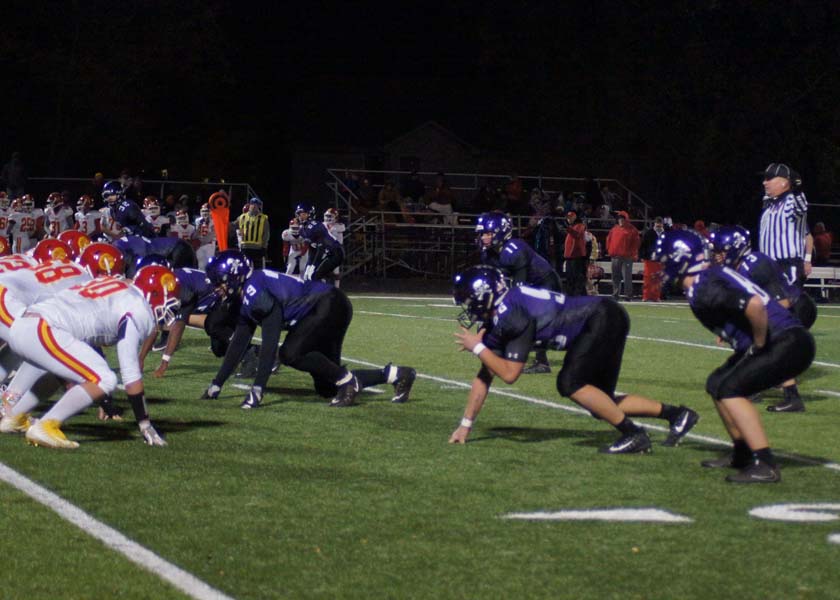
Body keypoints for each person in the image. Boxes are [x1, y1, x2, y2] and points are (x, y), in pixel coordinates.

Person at [449, 265, 698, 453]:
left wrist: (478, 348)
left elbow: (510, 374)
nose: (468, 309)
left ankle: (634, 434)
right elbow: (484, 376)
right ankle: (677, 415)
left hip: (599, 318)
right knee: (603, 403)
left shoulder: (512, 315)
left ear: (484, 296)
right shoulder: (503, 314)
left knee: (569, 383)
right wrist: (465, 425)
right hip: (604, 316)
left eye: (469, 302)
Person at [652, 230, 815, 483]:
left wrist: (759, 343)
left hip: (787, 340)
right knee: (717, 382)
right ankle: (742, 453)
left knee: (731, 389)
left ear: (679, 259)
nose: (662, 268)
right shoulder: (706, 279)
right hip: (787, 338)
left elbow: (754, 305)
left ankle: (764, 463)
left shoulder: (703, 285)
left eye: (664, 261)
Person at [200, 250, 417, 409]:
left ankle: (349, 381)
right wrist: (216, 384)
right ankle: (397, 375)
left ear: (235, 275)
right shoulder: (247, 293)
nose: (217, 288)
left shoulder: (255, 293)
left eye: (220, 282)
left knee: (289, 353)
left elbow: (270, 342)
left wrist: (258, 389)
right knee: (328, 387)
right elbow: (238, 343)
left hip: (327, 305)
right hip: (326, 308)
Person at [0, 265, 179, 449]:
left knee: (64, 372)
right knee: (105, 379)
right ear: (156, 292)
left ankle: (14, 417)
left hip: (25, 324)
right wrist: (144, 423)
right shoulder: (138, 308)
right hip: (44, 328)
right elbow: (130, 372)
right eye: (170, 300)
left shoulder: (116, 286)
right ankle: (46, 426)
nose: (169, 307)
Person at [709, 225, 816, 412]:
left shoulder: (756, 263)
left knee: (772, 346)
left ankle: (789, 396)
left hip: (797, 306)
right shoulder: (738, 269)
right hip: (780, 307)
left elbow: (782, 302)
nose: (717, 257)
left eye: (721, 252)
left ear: (735, 248)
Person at [475, 212, 562, 374]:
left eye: (487, 233)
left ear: (501, 232)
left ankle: (541, 360)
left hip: (546, 285)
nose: (483, 238)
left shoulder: (515, 249)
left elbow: (519, 291)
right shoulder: (489, 253)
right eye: (481, 234)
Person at [759, 163, 809, 286]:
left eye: (769, 179)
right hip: (768, 265)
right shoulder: (769, 205)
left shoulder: (790, 201)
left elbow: (801, 206)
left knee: (784, 304)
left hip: (786, 265)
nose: (764, 183)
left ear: (784, 182)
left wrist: (797, 189)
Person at [296, 203, 344, 283]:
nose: (301, 217)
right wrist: (309, 266)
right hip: (327, 253)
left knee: (314, 276)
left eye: (303, 214)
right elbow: (312, 252)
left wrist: (313, 266)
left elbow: (321, 248)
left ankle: (325, 293)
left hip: (336, 254)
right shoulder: (302, 229)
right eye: (299, 214)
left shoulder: (315, 226)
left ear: (310, 214)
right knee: (307, 276)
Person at [605, 210, 640, 301]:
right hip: (615, 256)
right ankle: (615, 294)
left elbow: (636, 243)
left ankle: (628, 295)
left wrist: (632, 254)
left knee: (627, 277)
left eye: (622, 218)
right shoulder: (614, 229)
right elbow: (608, 240)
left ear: (626, 219)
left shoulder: (632, 230)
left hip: (627, 257)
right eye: (619, 219)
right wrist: (610, 251)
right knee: (615, 277)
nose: (620, 220)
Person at [236, 197, 270, 268]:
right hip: (245, 247)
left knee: (258, 270)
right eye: (252, 204)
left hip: (257, 248)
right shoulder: (242, 217)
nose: (254, 206)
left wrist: (264, 247)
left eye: (256, 205)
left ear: (259, 206)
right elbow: (234, 227)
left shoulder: (263, 218)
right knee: (244, 268)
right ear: (249, 205)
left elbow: (266, 234)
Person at [640, 217, 666, 301]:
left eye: (660, 223)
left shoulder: (665, 234)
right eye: (657, 223)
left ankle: (656, 296)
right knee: (648, 278)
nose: (658, 225)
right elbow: (643, 245)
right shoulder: (649, 233)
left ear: (662, 224)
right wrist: (643, 256)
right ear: (654, 224)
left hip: (660, 260)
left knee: (658, 279)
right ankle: (646, 296)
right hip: (649, 259)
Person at [562, 211, 588, 296]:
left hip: (577, 256)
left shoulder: (580, 225)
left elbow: (576, 235)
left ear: (575, 217)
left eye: (570, 217)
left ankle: (577, 294)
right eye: (568, 217)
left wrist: (568, 228)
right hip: (570, 256)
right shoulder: (572, 227)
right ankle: (571, 294)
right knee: (570, 277)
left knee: (577, 277)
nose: (568, 219)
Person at [322, 207, 345, 287]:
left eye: (330, 216)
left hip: (335, 250)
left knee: (336, 272)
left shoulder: (339, 226)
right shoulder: (322, 225)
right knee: (322, 271)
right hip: (324, 250)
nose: (328, 218)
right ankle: (323, 289)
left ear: (336, 217)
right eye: (327, 216)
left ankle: (337, 289)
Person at [193, 203, 217, 270]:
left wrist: (203, 241)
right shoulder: (198, 220)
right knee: (200, 264)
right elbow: (196, 233)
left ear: (210, 211)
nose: (205, 213)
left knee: (209, 263)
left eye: (206, 211)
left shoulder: (214, 220)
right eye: (203, 211)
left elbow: (213, 233)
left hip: (209, 243)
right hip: (200, 244)